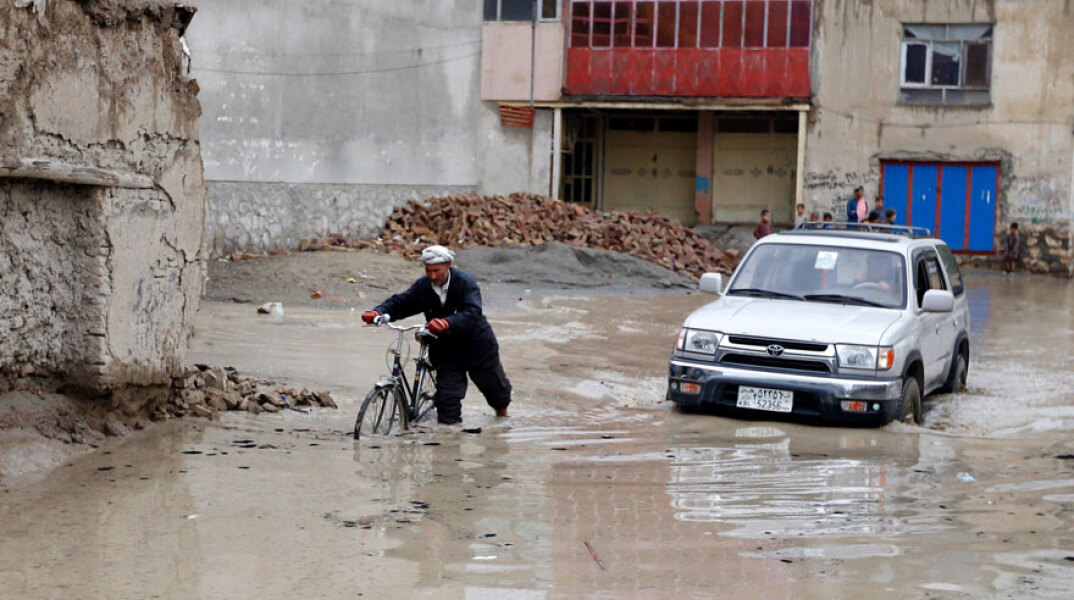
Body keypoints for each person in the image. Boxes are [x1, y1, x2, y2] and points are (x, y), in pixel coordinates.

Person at [362, 245, 511, 425]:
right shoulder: (423, 286)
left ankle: (502, 420)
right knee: (447, 400)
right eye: (428, 271)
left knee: (496, 393)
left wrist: (447, 323)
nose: (432, 276)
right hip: (446, 349)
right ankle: (448, 443)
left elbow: (473, 312)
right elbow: (402, 302)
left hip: (477, 346)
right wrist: (378, 312)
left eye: (437, 270)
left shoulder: (465, 283)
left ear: (448, 264)